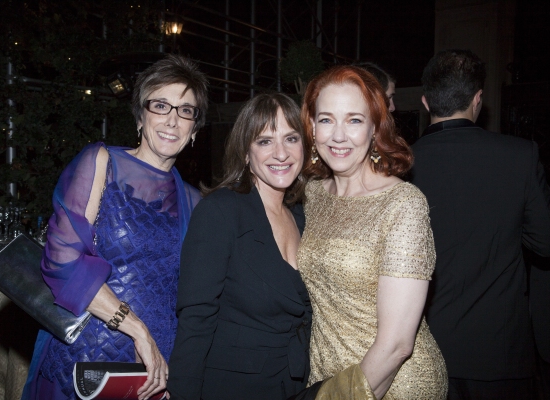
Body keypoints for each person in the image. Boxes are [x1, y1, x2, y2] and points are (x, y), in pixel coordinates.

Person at [21, 54, 209, 400]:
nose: (172, 120)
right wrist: (137, 330)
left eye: (185, 111)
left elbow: (191, 297)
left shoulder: (195, 201)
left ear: (194, 129)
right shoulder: (101, 163)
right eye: (160, 106)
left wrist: (175, 369)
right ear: (140, 116)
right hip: (87, 357)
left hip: (155, 368)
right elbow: (62, 260)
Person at [296, 65, 447, 399]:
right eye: (325, 119)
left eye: (354, 120)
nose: (338, 135)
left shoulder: (403, 204)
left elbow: (397, 345)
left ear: (375, 127)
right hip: (325, 372)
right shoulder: (314, 194)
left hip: (391, 382)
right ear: (311, 127)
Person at [411, 49, 550, 400]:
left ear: (426, 102)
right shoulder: (520, 155)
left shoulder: (398, 169)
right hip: (499, 353)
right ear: (477, 100)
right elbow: (546, 241)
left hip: (420, 352)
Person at [168, 93, 312, 400]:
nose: (281, 153)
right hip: (231, 387)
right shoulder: (220, 211)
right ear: (245, 152)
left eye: (291, 138)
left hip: (294, 383)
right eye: (264, 141)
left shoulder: (301, 215)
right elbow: (195, 320)